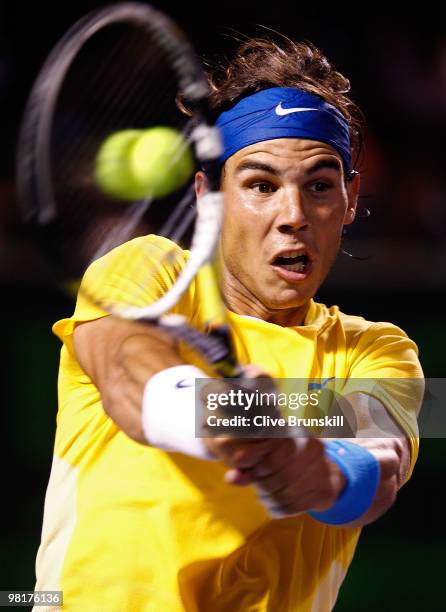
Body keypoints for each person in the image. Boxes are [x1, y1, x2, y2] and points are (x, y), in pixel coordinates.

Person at [34, 37, 423, 611]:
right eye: (261, 185)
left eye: (319, 185)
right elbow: (130, 376)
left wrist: (328, 474)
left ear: (348, 198)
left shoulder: (379, 349)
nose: (293, 216)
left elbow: (381, 454)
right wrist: (229, 417)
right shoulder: (147, 270)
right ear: (208, 194)